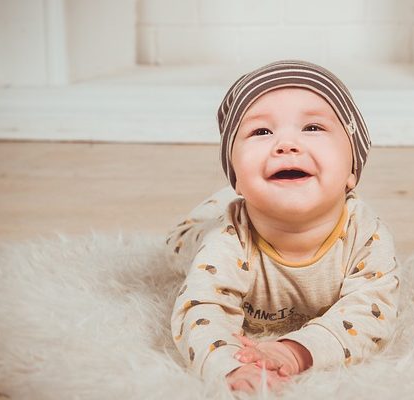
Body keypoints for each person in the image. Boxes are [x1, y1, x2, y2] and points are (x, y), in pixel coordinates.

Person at [167, 60, 400, 393]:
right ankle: (221, 202)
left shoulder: (367, 235)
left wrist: (296, 350)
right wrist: (229, 366)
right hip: (199, 233)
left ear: (353, 169)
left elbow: (370, 313)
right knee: (190, 240)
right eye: (261, 132)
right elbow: (202, 309)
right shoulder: (227, 239)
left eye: (313, 128)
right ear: (236, 177)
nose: (286, 145)